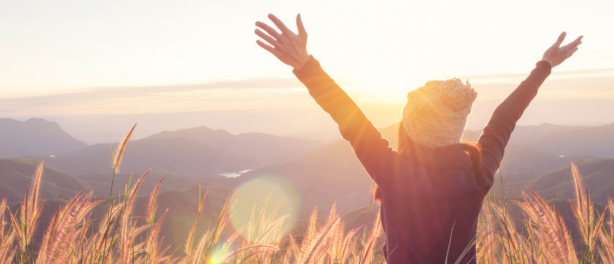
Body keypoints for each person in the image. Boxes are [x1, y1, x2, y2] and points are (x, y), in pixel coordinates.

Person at [254, 13, 583, 263]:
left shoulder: (397, 175)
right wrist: (544, 66)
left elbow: (349, 118)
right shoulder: (479, 171)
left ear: (408, 129)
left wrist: (305, 65)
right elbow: (504, 119)